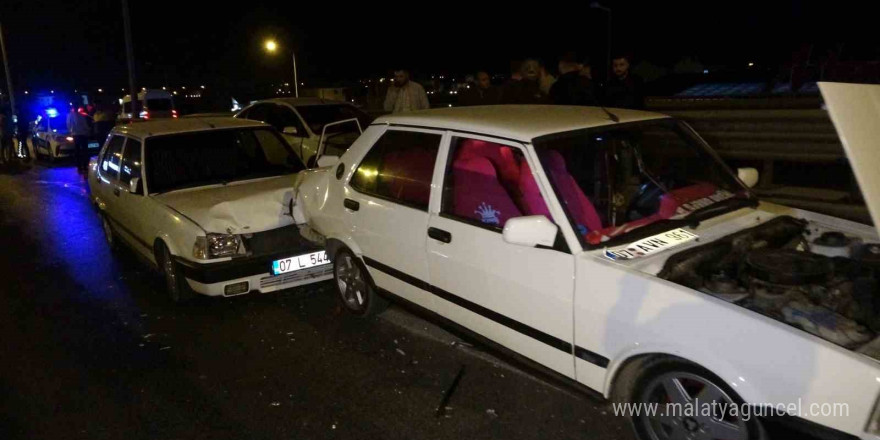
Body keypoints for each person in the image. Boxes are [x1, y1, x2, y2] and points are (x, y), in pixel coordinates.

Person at [67, 105, 91, 174]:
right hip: (82, 134)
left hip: (76, 135)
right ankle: (84, 165)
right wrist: (88, 130)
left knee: (78, 150)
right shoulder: (80, 116)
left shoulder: (70, 116)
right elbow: (85, 125)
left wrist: (71, 131)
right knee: (84, 150)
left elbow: (68, 125)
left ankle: (79, 166)